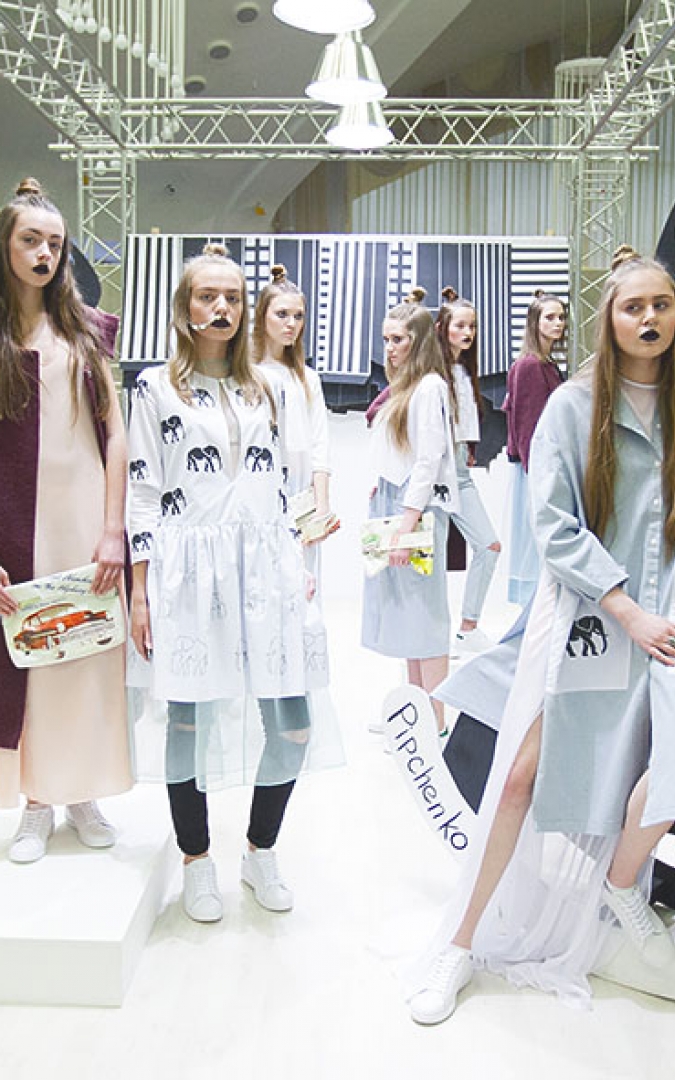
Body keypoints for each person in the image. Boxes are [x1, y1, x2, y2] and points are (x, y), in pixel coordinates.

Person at [406, 248, 675, 1025]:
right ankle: (460, 941)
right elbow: (553, 526)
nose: (649, 318)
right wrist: (625, 609)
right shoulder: (572, 406)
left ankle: (621, 885)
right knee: (521, 779)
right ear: (609, 320)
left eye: (661, 305)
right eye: (632, 306)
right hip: (590, 613)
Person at [127, 244, 336, 923]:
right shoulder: (155, 389)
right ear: (184, 307)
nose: (221, 307)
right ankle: (196, 860)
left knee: (294, 725)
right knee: (189, 720)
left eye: (233, 298)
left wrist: (300, 555)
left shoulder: (269, 387)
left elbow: (285, 480)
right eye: (207, 296)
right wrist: (139, 590)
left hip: (267, 567)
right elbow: (142, 491)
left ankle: (259, 850)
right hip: (189, 570)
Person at [0, 177, 131, 863]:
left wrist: (114, 529)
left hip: (85, 518)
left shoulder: (88, 330)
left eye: (54, 243)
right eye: (31, 240)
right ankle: (37, 801)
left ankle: (82, 791)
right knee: (30, 659)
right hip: (15, 523)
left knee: (88, 654)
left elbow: (116, 434)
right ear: (6, 247)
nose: (44, 254)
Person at [362, 288, 459, 733]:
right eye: (386, 339)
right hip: (395, 504)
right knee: (404, 617)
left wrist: (406, 523)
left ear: (418, 341)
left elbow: (429, 460)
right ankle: (415, 715)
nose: (390, 348)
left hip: (413, 510)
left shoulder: (430, 386)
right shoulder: (405, 386)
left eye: (398, 339)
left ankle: (435, 721)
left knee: (425, 617)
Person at [251, 264, 338, 579]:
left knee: (303, 578)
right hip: (255, 490)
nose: (291, 324)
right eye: (282, 314)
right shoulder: (245, 374)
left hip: (300, 492)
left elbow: (319, 443)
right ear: (262, 316)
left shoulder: (307, 378)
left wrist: (322, 504)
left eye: (298, 316)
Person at [436, 288, 502, 654]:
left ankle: (467, 628)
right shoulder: (432, 372)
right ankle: (435, 634)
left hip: (460, 470)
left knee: (489, 546)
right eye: (460, 325)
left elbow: (464, 420)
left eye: (472, 326)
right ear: (443, 328)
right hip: (436, 474)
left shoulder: (463, 371)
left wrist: (470, 450)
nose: (468, 332)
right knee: (428, 559)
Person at [502, 291, 569, 605]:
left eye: (561, 317)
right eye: (550, 317)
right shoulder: (530, 366)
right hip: (535, 468)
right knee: (534, 539)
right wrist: (537, 473)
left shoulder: (546, 365)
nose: (558, 323)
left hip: (544, 465)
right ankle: (532, 607)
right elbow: (527, 424)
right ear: (535, 322)